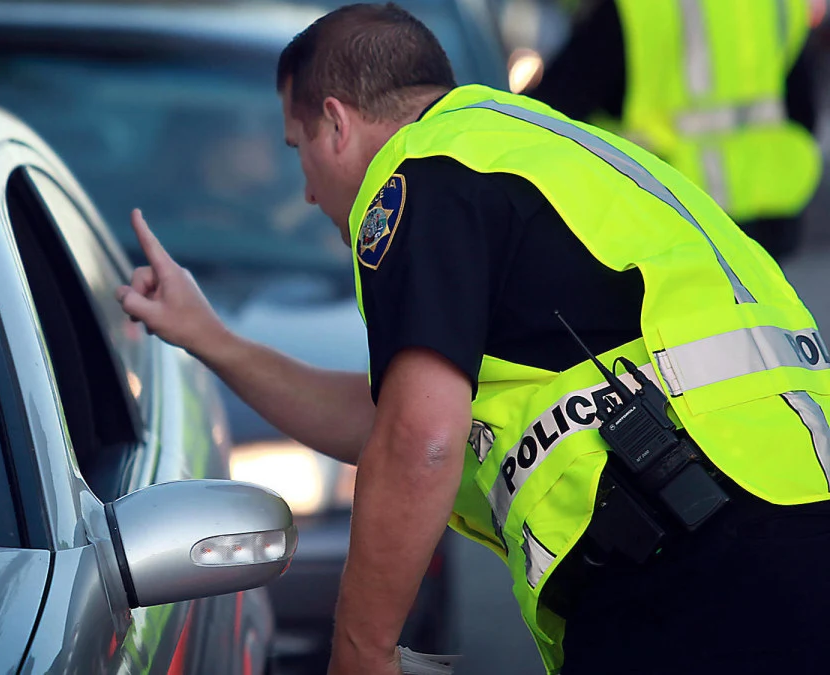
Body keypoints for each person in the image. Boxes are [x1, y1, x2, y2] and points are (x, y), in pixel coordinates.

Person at [114, 3, 830, 674]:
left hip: (694, 568)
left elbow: (418, 441)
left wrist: (361, 654)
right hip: (773, 528)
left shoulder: (420, 171)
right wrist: (210, 337)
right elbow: (388, 422)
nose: (305, 189)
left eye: (297, 147)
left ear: (336, 122)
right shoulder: (518, 149)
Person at [527, 0, 822, 260]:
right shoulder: (781, 4)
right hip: (765, 206)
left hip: (667, 208)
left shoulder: (639, 6)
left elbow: (556, 107)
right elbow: (802, 109)